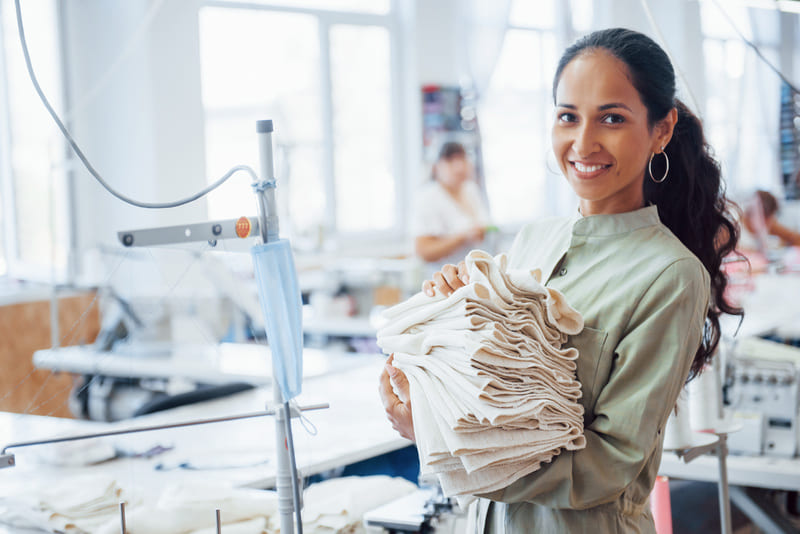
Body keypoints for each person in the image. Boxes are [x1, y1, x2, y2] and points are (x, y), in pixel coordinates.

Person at [379, 28, 742, 533]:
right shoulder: (534, 240)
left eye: (612, 118)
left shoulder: (671, 275)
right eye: (568, 116)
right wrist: (455, 315)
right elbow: (490, 389)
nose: (583, 142)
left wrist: (439, 437)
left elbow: (610, 465)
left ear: (661, 130)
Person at [412, 142, 491, 275]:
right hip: (444, 279)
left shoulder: (470, 190)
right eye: (450, 160)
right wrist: (461, 238)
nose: (459, 167)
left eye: (462, 159)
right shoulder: (428, 198)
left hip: (474, 274)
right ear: (436, 167)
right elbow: (424, 252)